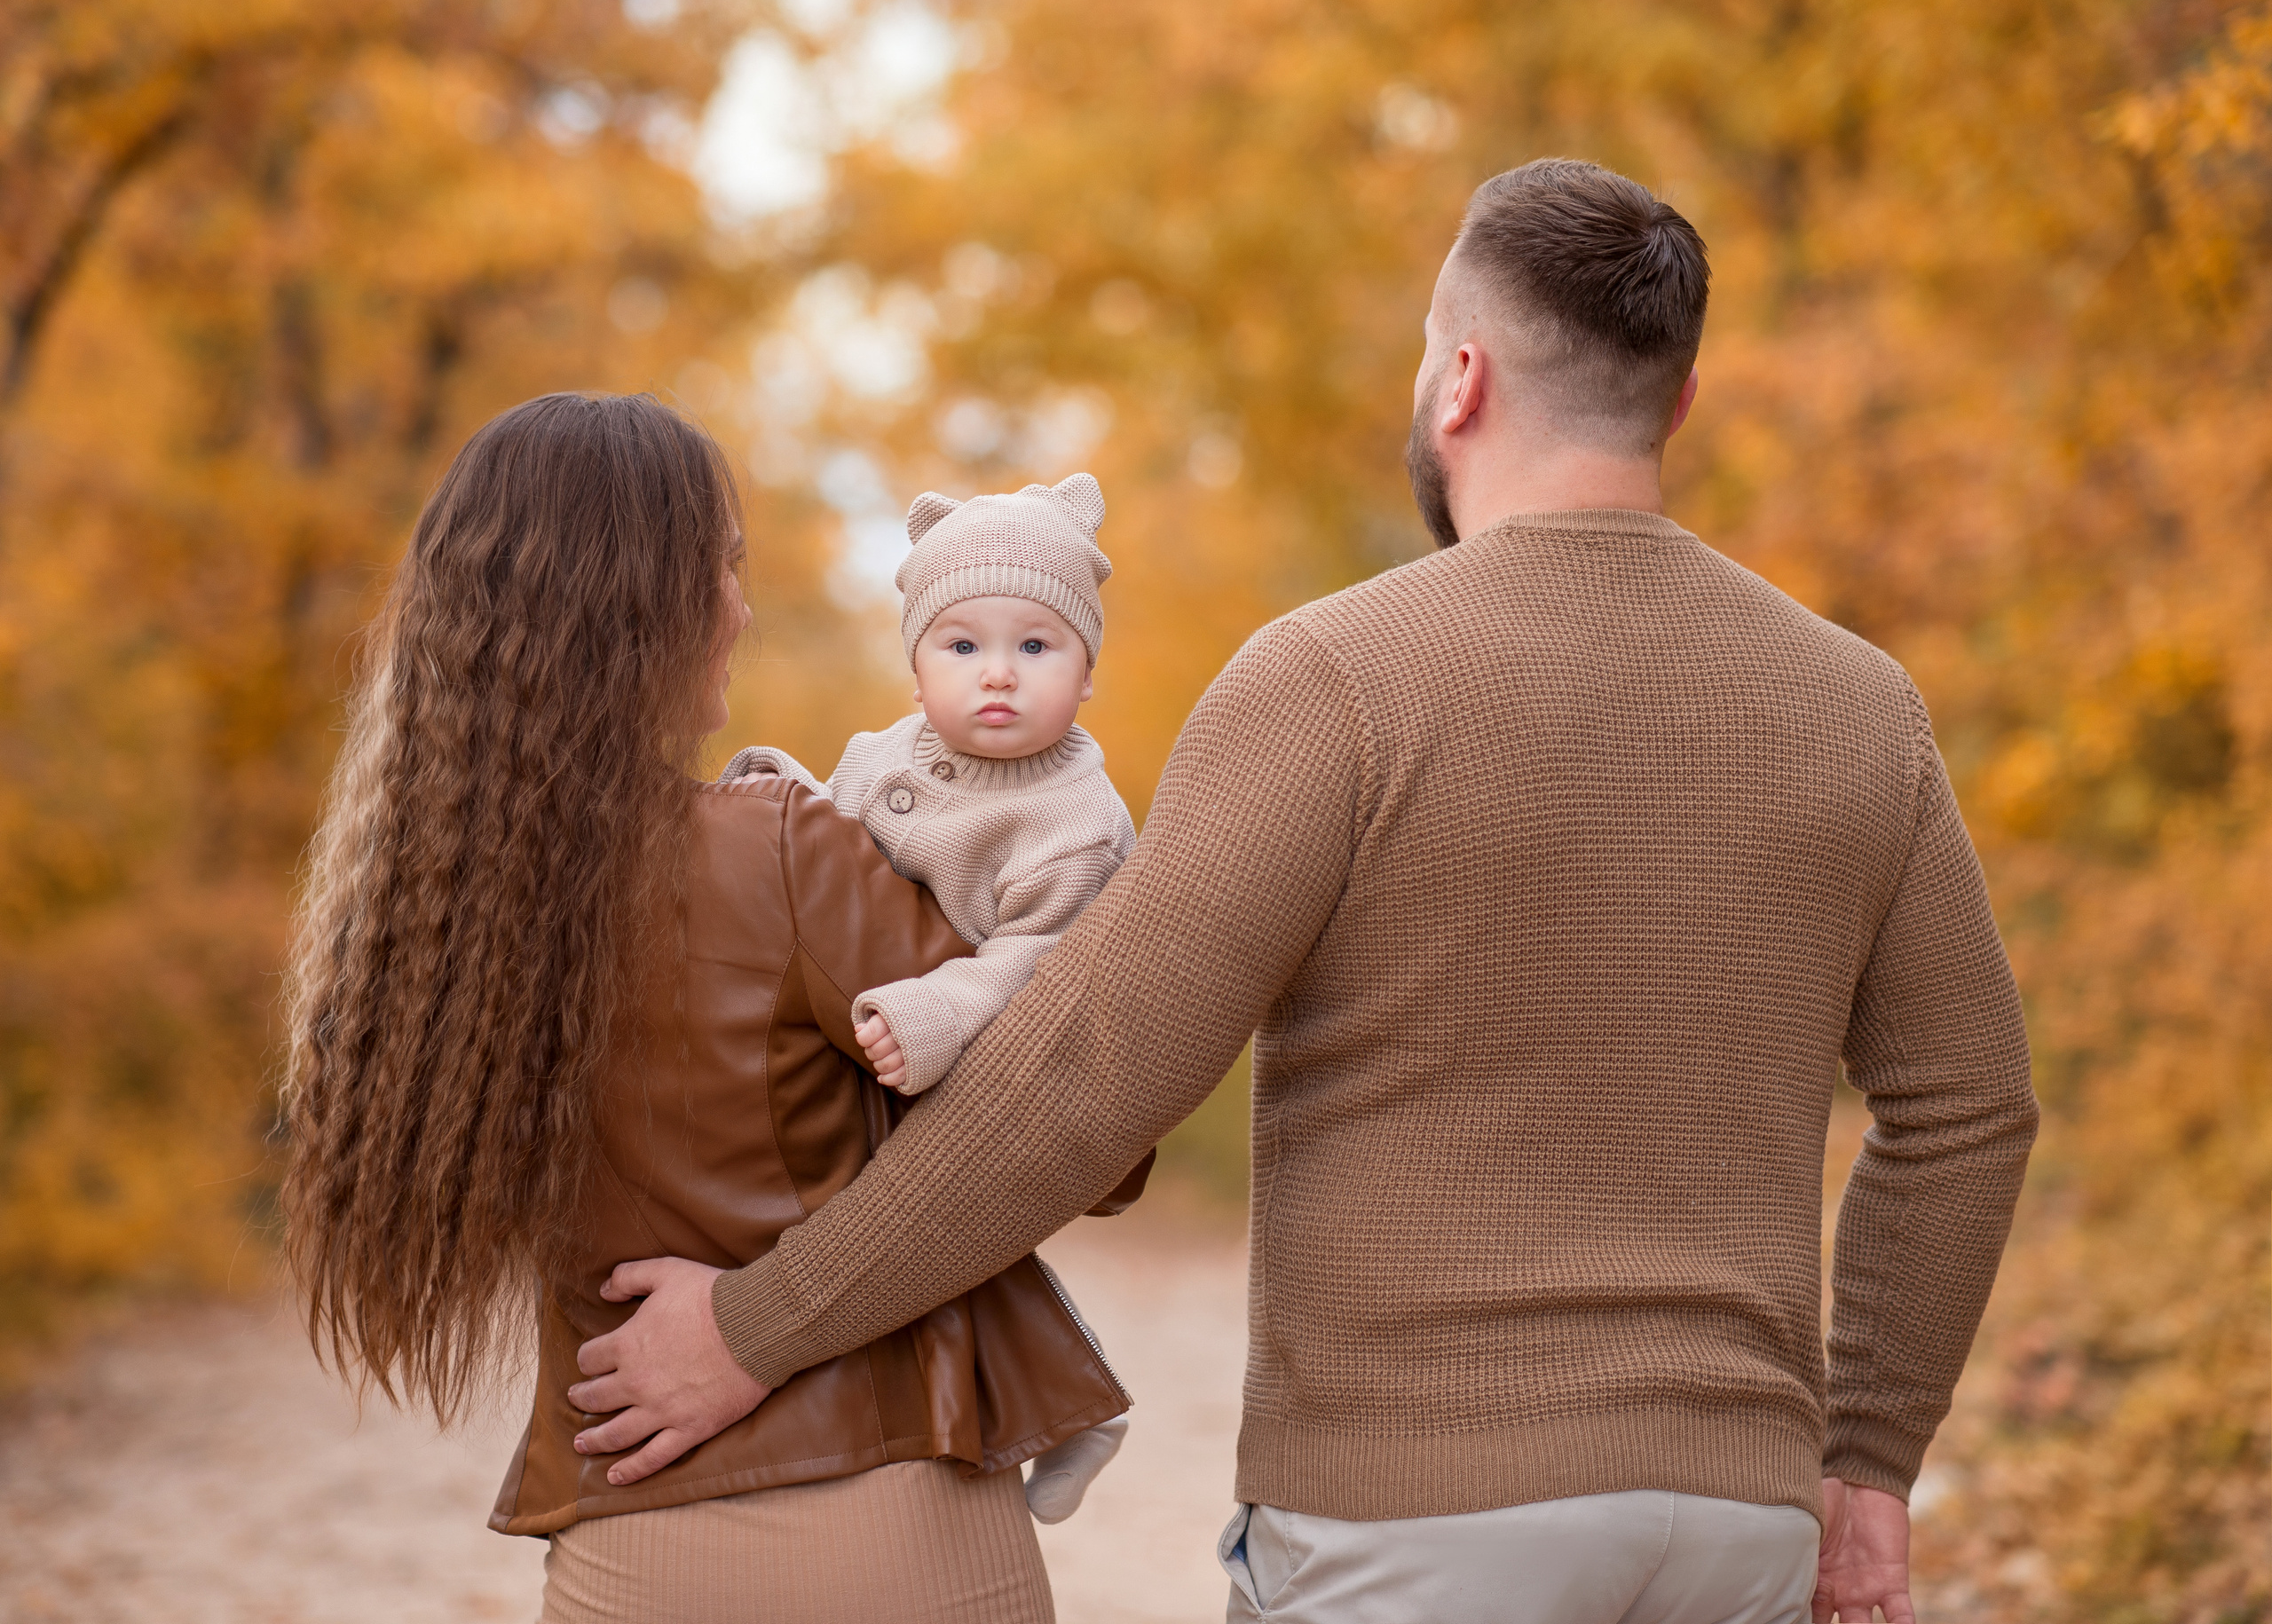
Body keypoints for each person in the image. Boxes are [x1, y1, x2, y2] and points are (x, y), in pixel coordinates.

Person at [568, 161, 2041, 1624]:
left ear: (1461, 381)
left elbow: (1086, 1076)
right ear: (1681, 402)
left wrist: (757, 1329)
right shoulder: (1863, 706)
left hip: (1417, 1523)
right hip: (1740, 1528)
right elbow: (1969, 1107)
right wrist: (1867, 1466)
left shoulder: (1336, 679)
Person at [280, 391, 1132, 1624]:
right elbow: (1087, 1134)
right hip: (886, 1527)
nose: (740, 608)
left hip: (625, 1542)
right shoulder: (775, 848)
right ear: (644, 607)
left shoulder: (432, 920)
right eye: (722, 570)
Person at [721, 470, 1138, 1522]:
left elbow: (1041, 959)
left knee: (943, 1218)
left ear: (1086, 672)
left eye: (1035, 646)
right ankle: (1073, 1398)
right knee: (861, 1206)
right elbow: (832, 852)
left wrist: (942, 1011)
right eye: (961, 646)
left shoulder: (1077, 821)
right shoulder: (881, 758)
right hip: (874, 1031)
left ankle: (1075, 1401)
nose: (998, 673)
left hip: (988, 1051)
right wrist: (778, 790)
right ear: (915, 674)